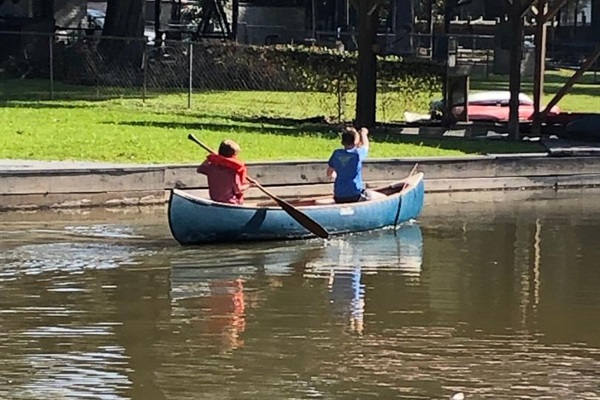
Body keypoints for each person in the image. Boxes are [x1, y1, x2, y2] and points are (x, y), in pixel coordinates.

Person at [197, 140, 250, 205]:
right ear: (233, 156)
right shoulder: (233, 172)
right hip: (231, 203)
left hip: (215, 200)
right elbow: (238, 190)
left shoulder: (211, 167)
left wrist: (210, 158)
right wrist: (250, 185)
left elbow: (200, 169)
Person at [327, 126, 370, 203]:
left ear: (342, 142)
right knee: (375, 196)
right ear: (356, 141)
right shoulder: (358, 154)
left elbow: (329, 173)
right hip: (354, 195)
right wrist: (364, 134)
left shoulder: (336, 154)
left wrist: (337, 176)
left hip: (339, 195)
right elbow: (366, 146)